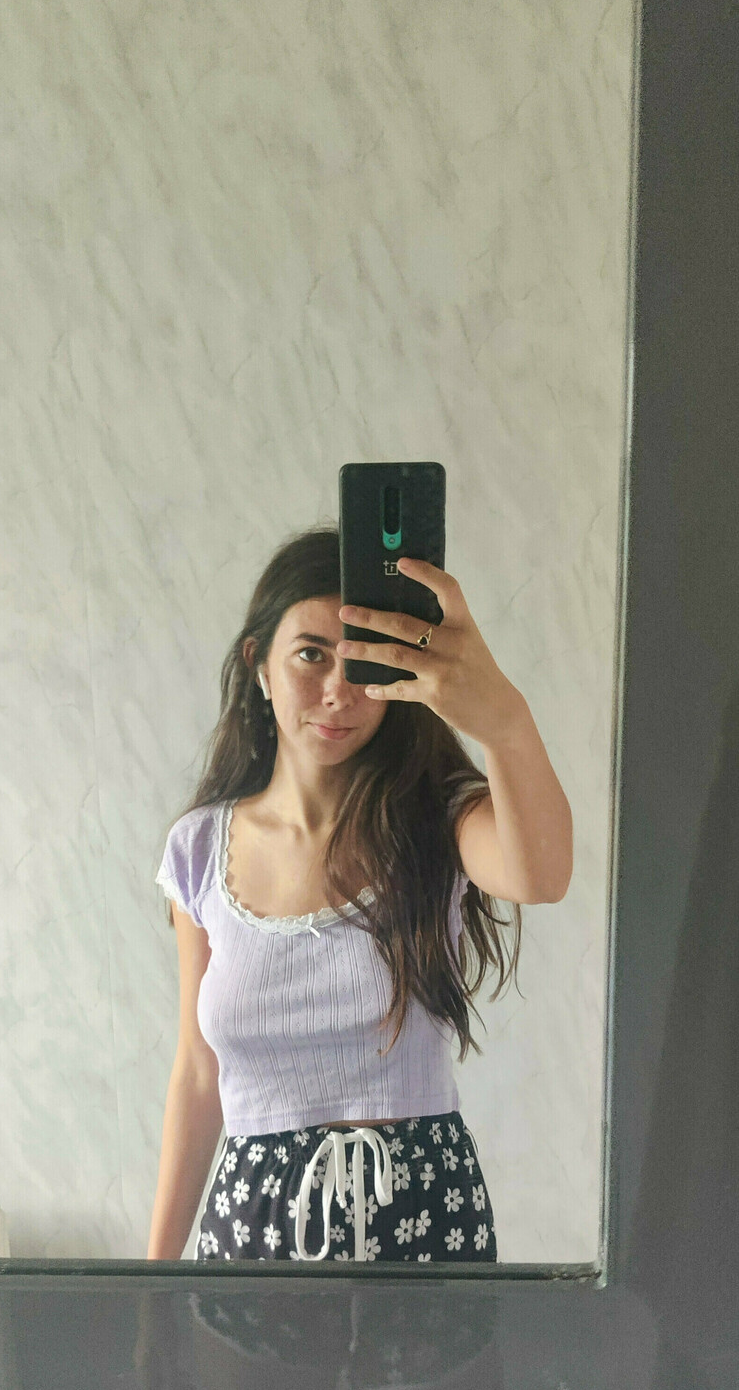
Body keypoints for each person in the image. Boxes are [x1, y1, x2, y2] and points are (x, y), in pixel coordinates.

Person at [148, 527, 572, 1265]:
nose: (337, 692)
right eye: (311, 654)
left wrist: (503, 719)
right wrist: (150, 1279)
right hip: (252, 1219)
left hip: (424, 1208)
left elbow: (541, 876)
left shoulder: (439, 817)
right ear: (259, 664)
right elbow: (196, 1073)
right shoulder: (198, 849)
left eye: (363, 660)